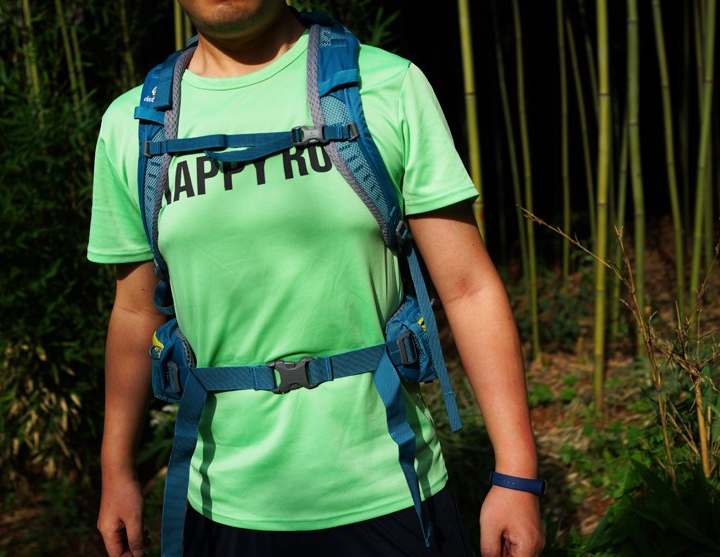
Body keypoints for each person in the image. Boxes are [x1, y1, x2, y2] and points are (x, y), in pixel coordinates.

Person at [88, 1, 544, 556]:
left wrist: (517, 475)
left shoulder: (384, 87)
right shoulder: (134, 126)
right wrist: (116, 471)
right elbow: (136, 311)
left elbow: (469, 288)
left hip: (393, 489)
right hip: (220, 504)